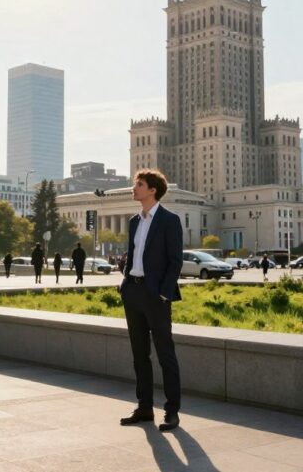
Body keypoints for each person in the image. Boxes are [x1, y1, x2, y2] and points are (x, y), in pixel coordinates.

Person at [118, 168, 183, 432]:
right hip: (132, 292)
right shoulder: (134, 221)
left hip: (155, 295)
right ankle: (144, 407)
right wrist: (125, 283)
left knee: (165, 354)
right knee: (139, 354)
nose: (134, 188)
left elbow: (175, 260)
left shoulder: (170, 220)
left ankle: (172, 412)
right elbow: (133, 254)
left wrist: (163, 293)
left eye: (139, 184)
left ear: (153, 190)